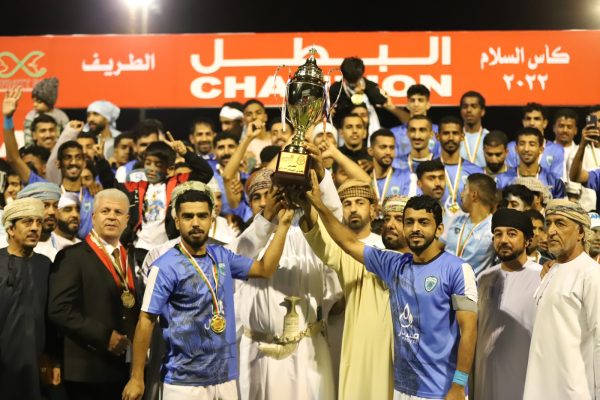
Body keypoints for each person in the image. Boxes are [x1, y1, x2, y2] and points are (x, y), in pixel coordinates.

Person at [306, 181, 478, 400]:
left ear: (439, 229)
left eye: (424, 222)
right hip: (403, 389)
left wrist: (459, 385)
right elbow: (347, 243)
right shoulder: (394, 265)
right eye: (410, 222)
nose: (415, 229)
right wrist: (319, 205)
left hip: (441, 391)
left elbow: (469, 330)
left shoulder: (458, 269)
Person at [121, 182, 293, 400]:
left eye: (202, 216)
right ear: (177, 221)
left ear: (212, 220)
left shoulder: (222, 255)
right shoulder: (164, 266)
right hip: (184, 382)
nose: (195, 223)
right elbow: (145, 321)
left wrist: (283, 226)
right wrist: (137, 377)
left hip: (226, 378)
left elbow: (264, 269)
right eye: (188, 217)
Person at [235, 166, 343, 400]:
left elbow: (333, 222)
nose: (264, 202)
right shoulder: (245, 241)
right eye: (257, 197)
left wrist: (321, 174)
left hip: (307, 351)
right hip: (259, 354)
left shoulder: (306, 236)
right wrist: (268, 219)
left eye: (271, 194)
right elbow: (242, 255)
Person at [300, 194, 409, 400]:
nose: (390, 225)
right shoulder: (363, 263)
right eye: (387, 218)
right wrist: (308, 208)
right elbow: (327, 246)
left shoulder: (427, 269)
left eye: (399, 219)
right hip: (364, 366)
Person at [48, 189, 140, 400]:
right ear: (93, 216)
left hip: (126, 368)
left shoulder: (132, 257)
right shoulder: (72, 256)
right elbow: (59, 310)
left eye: (118, 212)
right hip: (88, 369)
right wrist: (104, 336)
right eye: (105, 211)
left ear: (127, 220)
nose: (112, 216)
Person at [524, 199, 600, 400]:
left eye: (560, 223)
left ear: (580, 232)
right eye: (548, 223)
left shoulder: (591, 274)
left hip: (574, 392)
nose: (551, 231)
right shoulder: (551, 270)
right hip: (539, 389)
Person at [3, 88, 95, 238]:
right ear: (57, 163)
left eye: (78, 157)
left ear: (85, 163)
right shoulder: (45, 188)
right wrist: (8, 118)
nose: (73, 162)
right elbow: (13, 158)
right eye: (67, 157)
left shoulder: (94, 194)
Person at [475, 208, 542, 400]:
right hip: (485, 380)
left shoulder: (542, 277)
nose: (503, 240)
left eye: (512, 234)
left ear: (527, 240)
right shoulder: (484, 278)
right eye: (498, 234)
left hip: (525, 382)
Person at [118, 135, 214, 263]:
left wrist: (186, 153)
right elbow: (111, 184)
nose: (151, 168)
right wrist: (101, 161)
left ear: (169, 169)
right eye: (148, 163)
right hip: (139, 248)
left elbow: (206, 173)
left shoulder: (178, 184)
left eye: (158, 164)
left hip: (167, 248)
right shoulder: (136, 186)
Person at [0, 197, 59, 400]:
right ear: (11, 229)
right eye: (27, 222)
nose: (35, 228)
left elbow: (51, 318)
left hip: (36, 365)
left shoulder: (46, 265)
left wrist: (54, 359)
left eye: (38, 222)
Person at [441, 173, 496, 276]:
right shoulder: (456, 217)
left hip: (474, 285)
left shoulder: (493, 228)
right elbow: (436, 248)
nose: (461, 195)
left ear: (474, 195)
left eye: (464, 189)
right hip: (444, 281)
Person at [496, 127, 565, 199]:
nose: (526, 149)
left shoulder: (554, 182)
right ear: (516, 149)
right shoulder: (502, 179)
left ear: (541, 150)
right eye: (522, 144)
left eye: (532, 144)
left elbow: (560, 206)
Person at [436, 116, 483, 216]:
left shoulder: (476, 171)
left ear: (462, 136)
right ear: (437, 136)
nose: (451, 138)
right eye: (446, 133)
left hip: (467, 223)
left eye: (455, 133)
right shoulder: (429, 170)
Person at [507, 102, 564, 180]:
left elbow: (555, 180)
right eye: (528, 119)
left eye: (536, 119)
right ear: (523, 122)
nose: (532, 123)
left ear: (545, 123)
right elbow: (508, 178)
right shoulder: (511, 148)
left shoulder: (556, 150)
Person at [390, 84, 439, 164]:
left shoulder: (438, 131)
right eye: (412, 100)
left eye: (420, 100)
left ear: (428, 105)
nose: (416, 104)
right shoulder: (394, 133)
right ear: (407, 105)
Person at [14, 182, 62, 261]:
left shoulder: (64, 248)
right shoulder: (5, 245)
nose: (52, 212)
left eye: (55, 206)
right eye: (45, 206)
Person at [368, 128, 414, 207]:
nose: (388, 152)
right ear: (370, 151)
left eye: (392, 148)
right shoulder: (364, 177)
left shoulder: (407, 177)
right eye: (383, 147)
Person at [568, 110, 600, 211]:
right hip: (588, 214)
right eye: (594, 121)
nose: (597, 125)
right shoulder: (578, 151)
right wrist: (582, 145)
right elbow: (575, 177)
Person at [23, 77, 69, 146]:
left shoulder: (61, 116)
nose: (35, 104)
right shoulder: (30, 116)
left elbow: (66, 138)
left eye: (39, 102)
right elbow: (28, 140)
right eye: (34, 101)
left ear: (49, 102)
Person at [459, 91, 488, 168]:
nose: (469, 110)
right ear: (461, 111)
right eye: (465, 106)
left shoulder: (489, 137)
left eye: (474, 106)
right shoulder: (454, 137)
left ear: (482, 111)